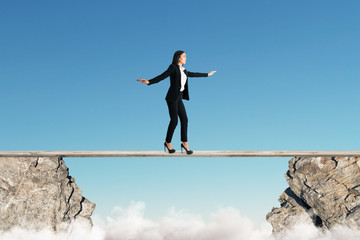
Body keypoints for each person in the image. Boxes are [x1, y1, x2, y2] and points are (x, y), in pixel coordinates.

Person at [137, 50, 216, 155]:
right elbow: (163, 76)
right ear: (179, 57)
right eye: (184, 56)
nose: (186, 58)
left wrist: (207, 74)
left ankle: (184, 143)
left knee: (185, 119)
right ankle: (167, 143)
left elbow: (193, 74)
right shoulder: (173, 68)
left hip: (178, 98)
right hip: (172, 97)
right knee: (174, 121)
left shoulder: (184, 70)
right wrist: (149, 82)